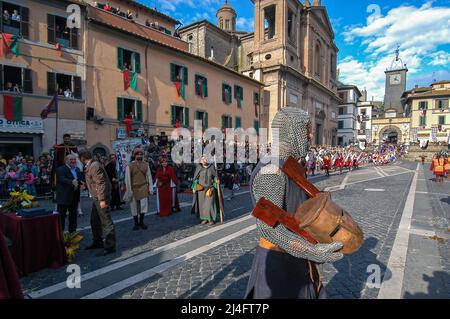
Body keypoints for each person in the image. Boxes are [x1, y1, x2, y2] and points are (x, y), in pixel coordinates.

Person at [245, 107, 343, 299]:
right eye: (306, 128)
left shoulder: (290, 165)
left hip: (297, 260)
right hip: (278, 265)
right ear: (291, 131)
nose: (310, 134)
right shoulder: (271, 171)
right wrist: (313, 251)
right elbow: (268, 228)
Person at [79, 149, 116, 256]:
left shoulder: (94, 165)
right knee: (94, 220)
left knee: (106, 221)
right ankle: (98, 241)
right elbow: (94, 181)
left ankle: (110, 246)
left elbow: (101, 183)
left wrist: (102, 200)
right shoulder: (91, 165)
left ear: (82, 158)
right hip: (96, 197)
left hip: (101, 198)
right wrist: (86, 186)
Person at [124, 148, 153, 230]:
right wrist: (129, 191)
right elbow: (127, 179)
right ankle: (136, 223)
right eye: (137, 154)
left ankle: (141, 222)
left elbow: (149, 177)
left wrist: (150, 188)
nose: (139, 155)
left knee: (143, 206)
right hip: (134, 188)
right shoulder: (130, 166)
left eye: (141, 154)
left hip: (143, 187)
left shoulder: (146, 165)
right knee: (134, 207)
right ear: (134, 155)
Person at [55, 154, 83, 233]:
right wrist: (72, 181)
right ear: (66, 160)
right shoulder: (60, 169)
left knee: (73, 216)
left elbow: (80, 179)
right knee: (61, 217)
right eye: (71, 159)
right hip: (64, 197)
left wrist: (82, 182)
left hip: (74, 196)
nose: (73, 161)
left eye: (74, 159)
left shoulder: (77, 169)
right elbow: (61, 179)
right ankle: (60, 234)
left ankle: (72, 233)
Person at [191, 155, 220, 225]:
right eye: (202, 159)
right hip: (201, 189)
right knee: (202, 205)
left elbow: (215, 177)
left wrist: (217, 180)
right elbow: (195, 179)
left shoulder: (212, 167)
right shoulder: (199, 168)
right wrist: (194, 187)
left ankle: (211, 219)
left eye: (205, 159)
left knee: (210, 204)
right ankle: (204, 218)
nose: (203, 161)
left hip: (210, 188)